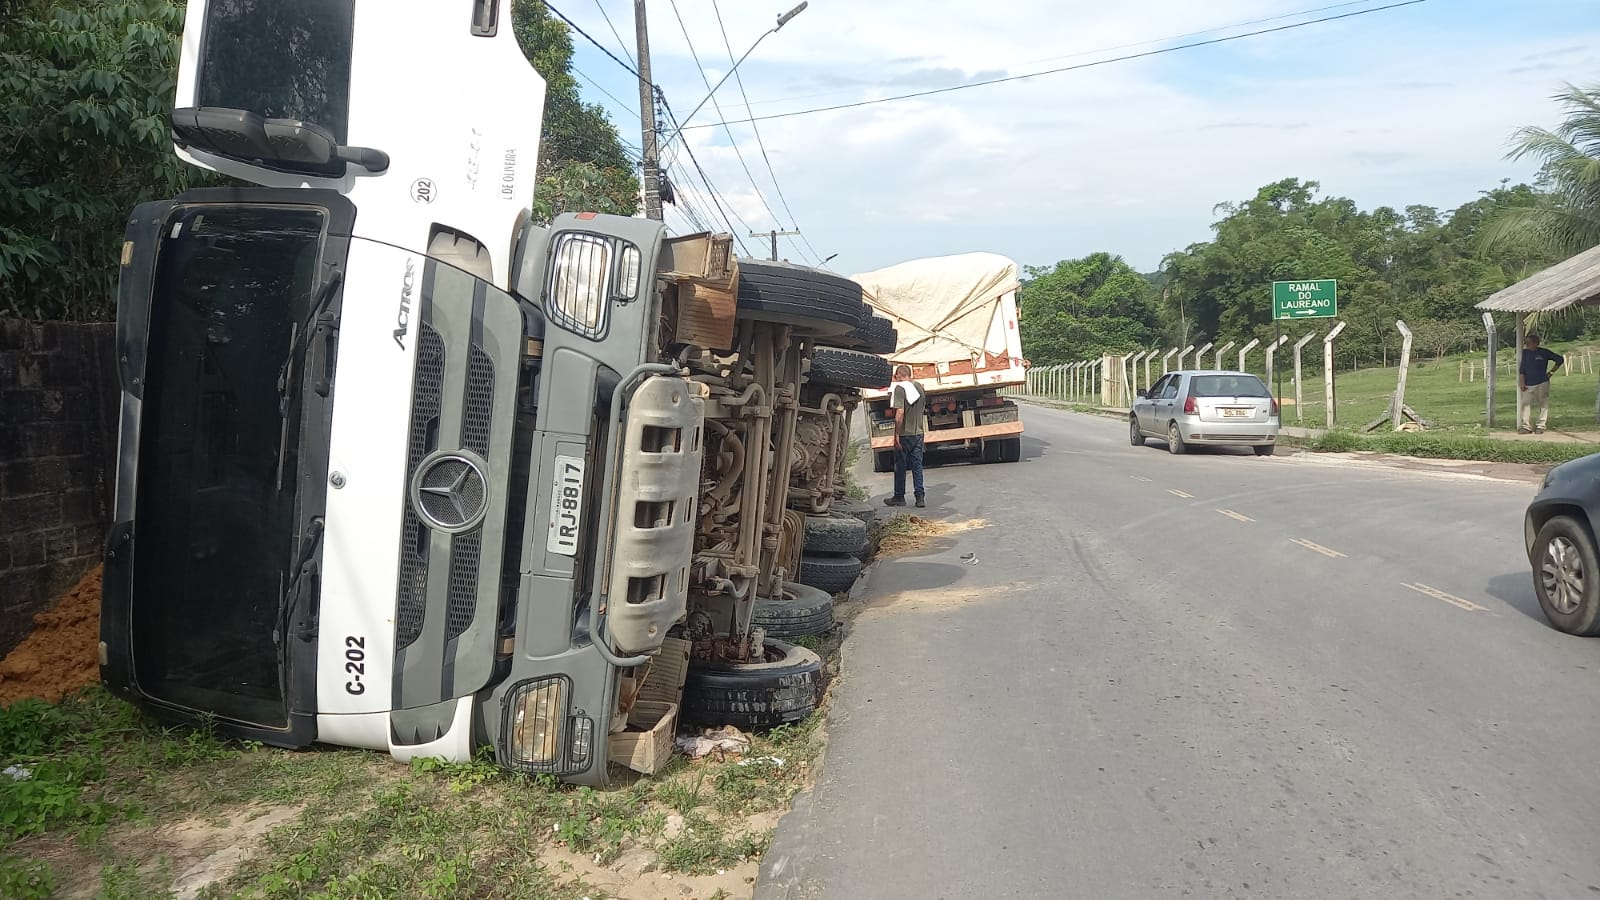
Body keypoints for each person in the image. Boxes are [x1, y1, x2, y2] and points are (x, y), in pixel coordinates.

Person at [885, 364, 927, 508]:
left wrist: (896, 435)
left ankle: (899, 496)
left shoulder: (899, 388)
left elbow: (900, 413)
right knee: (917, 465)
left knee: (900, 466)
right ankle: (920, 497)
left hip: (905, 434)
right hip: (919, 432)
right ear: (910, 374)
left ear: (898, 376)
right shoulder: (919, 387)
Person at [1518, 333, 1564, 434]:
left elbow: (1560, 360)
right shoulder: (1525, 353)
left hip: (1542, 381)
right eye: (1526, 343)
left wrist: (1551, 372)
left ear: (1536, 343)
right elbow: (1522, 369)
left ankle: (1541, 425)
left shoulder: (1544, 352)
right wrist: (1522, 382)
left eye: (1529, 343)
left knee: (1543, 403)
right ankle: (1526, 426)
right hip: (1528, 383)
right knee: (1525, 404)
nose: (1527, 345)